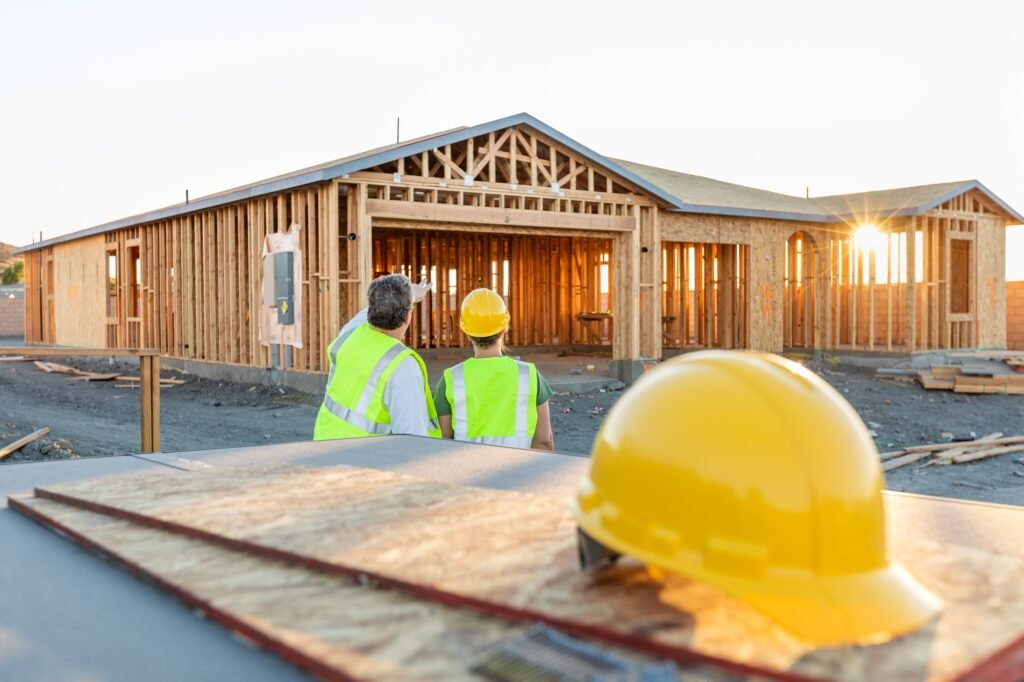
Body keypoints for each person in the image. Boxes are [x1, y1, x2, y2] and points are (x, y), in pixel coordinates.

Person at [313, 274, 440, 440]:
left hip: (321, 448)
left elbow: (374, 307)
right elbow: (412, 440)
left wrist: (412, 295)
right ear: (408, 317)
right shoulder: (402, 366)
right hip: (364, 462)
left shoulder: (350, 333)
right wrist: (412, 295)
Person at [434, 289, 554, 450]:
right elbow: (544, 441)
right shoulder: (529, 375)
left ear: (466, 331)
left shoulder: (451, 379)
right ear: (504, 327)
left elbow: (442, 442)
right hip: (520, 473)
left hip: (466, 473)